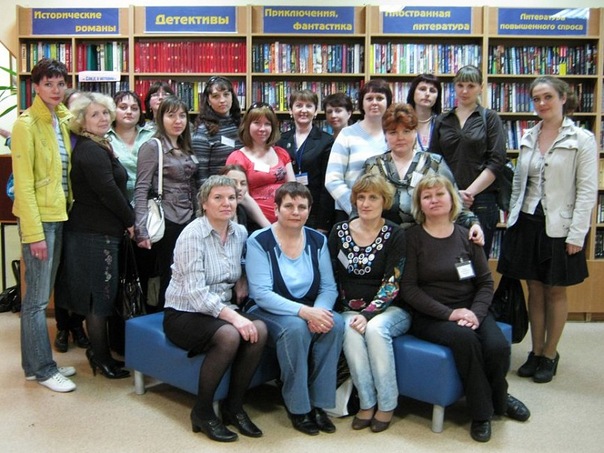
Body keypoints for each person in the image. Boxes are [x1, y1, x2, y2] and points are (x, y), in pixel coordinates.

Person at [400, 174, 530, 443]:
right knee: (466, 340)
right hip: (431, 315)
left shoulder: (467, 235)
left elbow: (485, 283)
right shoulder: (411, 238)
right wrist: (450, 314)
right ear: (419, 204)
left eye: (440, 194)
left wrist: (475, 314)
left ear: (452, 199)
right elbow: (409, 289)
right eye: (427, 196)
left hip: (472, 309)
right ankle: (482, 412)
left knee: (497, 346)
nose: (434, 200)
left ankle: (500, 397)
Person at [497, 76, 598, 384]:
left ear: (563, 98)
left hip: (560, 226)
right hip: (527, 222)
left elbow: (587, 190)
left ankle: (550, 354)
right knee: (534, 288)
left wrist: (577, 234)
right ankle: (535, 350)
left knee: (555, 289)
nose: (541, 103)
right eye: (537, 98)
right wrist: (512, 217)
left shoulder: (582, 139)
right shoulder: (529, 135)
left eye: (548, 97)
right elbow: (519, 182)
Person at [164, 175, 267, 443]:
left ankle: (234, 407)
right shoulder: (192, 234)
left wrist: (243, 279)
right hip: (184, 312)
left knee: (259, 330)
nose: (226, 203)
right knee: (230, 335)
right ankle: (202, 411)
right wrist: (235, 318)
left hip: (220, 308)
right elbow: (197, 295)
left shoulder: (239, 232)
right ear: (204, 203)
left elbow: (242, 266)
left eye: (231, 197)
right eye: (218, 198)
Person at [246, 182, 344, 436]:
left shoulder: (318, 240)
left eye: (302, 207)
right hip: (266, 310)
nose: (296, 212)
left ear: (309, 210)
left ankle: (319, 404)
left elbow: (328, 288)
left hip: (307, 310)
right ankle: (298, 407)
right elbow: (262, 294)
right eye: (289, 205)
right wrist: (305, 313)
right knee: (296, 329)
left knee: (335, 323)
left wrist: (319, 313)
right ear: (276, 208)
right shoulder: (259, 240)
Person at [56, 92, 133, 379]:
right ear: (81, 120)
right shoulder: (90, 150)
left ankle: (100, 354)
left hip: (100, 232)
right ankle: (101, 358)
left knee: (102, 297)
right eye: (94, 114)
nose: (103, 118)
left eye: (105, 113)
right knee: (98, 300)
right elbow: (108, 191)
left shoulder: (101, 145)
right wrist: (131, 220)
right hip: (92, 234)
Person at [11, 58, 77, 392]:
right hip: (40, 222)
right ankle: (43, 369)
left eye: (60, 83)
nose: (55, 89)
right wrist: (35, 234)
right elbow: (23, 185)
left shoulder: (60, 119)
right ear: (35, 86)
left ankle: (32, 365)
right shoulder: (26, 125)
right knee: (36, 301)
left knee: (38, 297)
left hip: (59, 215)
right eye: (48, 83)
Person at [328, 174, 410, 432]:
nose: (365, 203)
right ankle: (366, 403)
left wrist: (368, 313)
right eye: (361, 197)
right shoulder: (339, 231)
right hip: (347, 310)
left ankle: (387, 404)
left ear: (384, 201)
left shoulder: (395, 233)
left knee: (374, 329)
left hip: (390, 309)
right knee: (350, 331)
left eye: (373, 197)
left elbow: (392, 283)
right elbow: (330, 275)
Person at [362, 103, 484, 243]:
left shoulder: (434, 163)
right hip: (383, 241)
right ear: (385, 135)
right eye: (393, 132)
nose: (400, 137)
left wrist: (474, 224)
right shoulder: (373, 166)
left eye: (406, 131)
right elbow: (359, 207)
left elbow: (455, 203)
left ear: (415, 132)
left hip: (426, 242)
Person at [428, 65, 506, 257]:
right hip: (447, 199)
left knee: (477, 258)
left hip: (482, 200)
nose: (464, 91)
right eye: (460, 85)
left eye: (471, 86)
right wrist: (454, 194)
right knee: (449, 258)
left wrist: (468, 193)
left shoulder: (490, 118)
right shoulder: (442, 120)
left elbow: (496, 161)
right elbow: (434, 160)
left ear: (481, 88)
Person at [134, 95, 198, 312]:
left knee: (186, 274)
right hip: (165, 218)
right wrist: (141, 230)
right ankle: (165, 318)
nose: (178, 121)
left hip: (189, 219)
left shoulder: (186, 146)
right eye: (171, 116)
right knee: (167, 276)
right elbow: (141, 188)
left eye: (182, 116)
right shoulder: (152, 146)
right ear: (160, 118)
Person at [52, 88, 89, 354]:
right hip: (60, 210)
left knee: (81, 273)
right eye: (72, 108)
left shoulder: (91, 137)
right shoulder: (60, 134)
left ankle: (78, 325)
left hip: (84, 215)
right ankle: (63, 327)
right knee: (62, 272)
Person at [325, 79, 392, 223]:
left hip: (387, 214)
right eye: (369, 98)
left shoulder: (394, 135)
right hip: (350, 214)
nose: (374, 102)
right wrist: (356, 209)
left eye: (380, 98)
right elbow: (332, 179)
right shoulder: (347, 134)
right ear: (362, 103)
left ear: (388, 102)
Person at [226, 102, 295, 225]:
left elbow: (293, 187)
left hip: (286, 221)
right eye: (257, 123)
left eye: (267, 124)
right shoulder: (237, 157)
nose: (262, 129)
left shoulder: (281, 153)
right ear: (247, 125)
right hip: (254, 223)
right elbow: (243, 196)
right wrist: (268, 227)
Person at [277, 89, 335, 233]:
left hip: (314, 211)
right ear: (291, 110)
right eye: (299, 105)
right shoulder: (280, 140)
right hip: (286, 208)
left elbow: (327, 185)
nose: (304, 110)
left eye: (309, 106)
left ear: (315, 111)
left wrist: (322, 224)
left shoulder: (326, 141)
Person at [192, 76, 243, 187]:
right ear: (208, 101)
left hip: (242, 189)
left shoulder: (242, 126)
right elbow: (201, 176)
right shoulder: (202, 132)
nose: (222, 100)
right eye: (216, 96)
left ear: (232, 97)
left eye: (226, 94)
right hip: (217, 191)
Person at [107, 90, 155, 201]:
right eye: (123, 107)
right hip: (116, 201)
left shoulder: (152, 136)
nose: (129, 112)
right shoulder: (104, 138)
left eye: (134, 108)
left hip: (149, 201)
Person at [406, 73, 442, 152]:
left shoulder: (443, 123)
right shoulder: (402, 121)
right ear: (413, 92)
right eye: (422, 89)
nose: (427, 94)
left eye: (432, 91)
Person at [218, 164, 249, 228]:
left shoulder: (242, 212)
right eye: (233, 182)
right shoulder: (211, 213)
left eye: (243, 184)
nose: (239, 188)